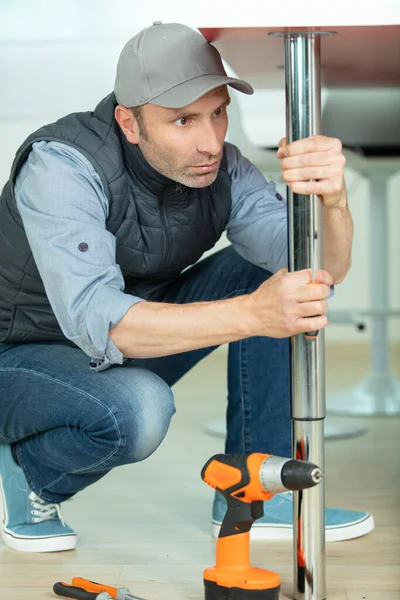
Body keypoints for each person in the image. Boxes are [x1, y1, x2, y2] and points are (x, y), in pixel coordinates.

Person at [0, 21, 374, 553]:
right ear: (129, 123)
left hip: (118, 340)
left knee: (285, 276)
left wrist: (333, 202)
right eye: (182, 120)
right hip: (19, 355)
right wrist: (253, 316)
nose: (210, 141)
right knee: (139, 411)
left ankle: (254, 493)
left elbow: (319, 272)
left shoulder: (225, 170)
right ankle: (26, 470)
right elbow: (101, 318)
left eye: (218, 112)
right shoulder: (61, 166)